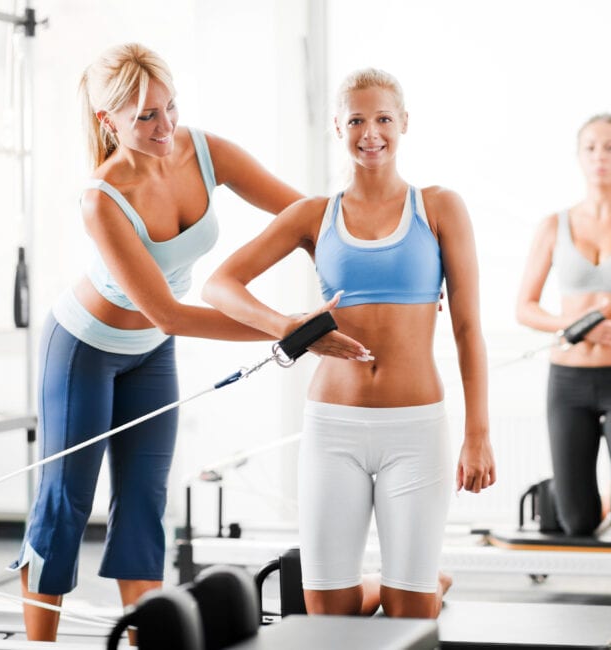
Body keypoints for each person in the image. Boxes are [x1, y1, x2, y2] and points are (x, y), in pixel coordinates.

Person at [10, 43, 303, 642]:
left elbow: (301, 212)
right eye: (145, 116)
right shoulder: (101, 197)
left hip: (149, 353)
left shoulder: (203, 149)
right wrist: (281, 326)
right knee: (66, 505)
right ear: (107, 121)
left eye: (170, 107)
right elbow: (170, 313)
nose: (165, 126)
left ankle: (147, 640)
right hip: (84, 351)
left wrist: (366, 253)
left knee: (144, 503)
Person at [203, 68, 495, 619]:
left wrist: (477, 434)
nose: (371, 132)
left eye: (383, 118)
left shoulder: (438, 207)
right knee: (327, 612)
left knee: (412, 616)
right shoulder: (315, 214)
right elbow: (219, 284)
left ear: (404, 123)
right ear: (337, 126)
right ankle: (410, 583)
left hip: (416, 427)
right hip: (332, 427)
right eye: (357, 120)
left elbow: (467, 330)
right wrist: (283, 326)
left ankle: (422, 585)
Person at [515, 113, 611, 539]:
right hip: (568, 383)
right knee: (578, 522)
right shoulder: (554, 224)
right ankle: (607, 498)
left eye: (610, 147)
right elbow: (525, 308)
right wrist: (577, 326)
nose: (600, 156)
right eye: (590, 147)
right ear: (578, 157)